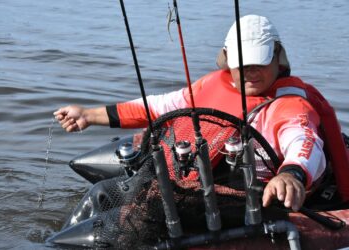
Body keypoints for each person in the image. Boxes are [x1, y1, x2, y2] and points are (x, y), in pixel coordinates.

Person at [54, 15, 327, 212]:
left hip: (248, 198)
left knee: (103, 195)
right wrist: (89, 115)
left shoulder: (290, 105)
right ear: (227, 59)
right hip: (204, 185)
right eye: (243, 64)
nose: (251, 71)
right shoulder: (213, 85)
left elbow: (304, 142)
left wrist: (292, 174)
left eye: (260, 61)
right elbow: (158, 106)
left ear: (278, 57)